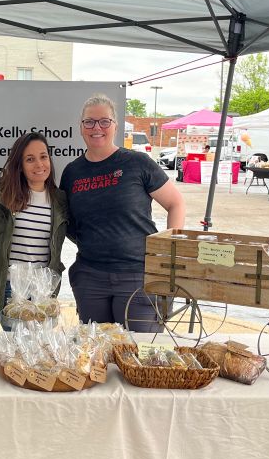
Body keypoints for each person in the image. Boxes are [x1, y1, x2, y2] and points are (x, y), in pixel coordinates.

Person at [60, 93, 186, 331]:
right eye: (90, 121)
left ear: (115, 126)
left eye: (104, 121)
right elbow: (69, 223)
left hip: (138, 277)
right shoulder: (72, 173)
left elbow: (176, 203)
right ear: (81, 127)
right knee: (96, 355)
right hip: (90, 277)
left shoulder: (137, 163)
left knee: (139, 355)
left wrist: (168, 253)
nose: (97, 127)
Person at [0, 132, 68, 327]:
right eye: (30, 159)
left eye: (43, 157)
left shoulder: (60, 200)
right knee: (12, 351)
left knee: (40, 351)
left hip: (44, 290)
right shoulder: (3, 193)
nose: (39, 164)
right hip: (9, 288)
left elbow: (81, 232)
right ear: (20, 166)